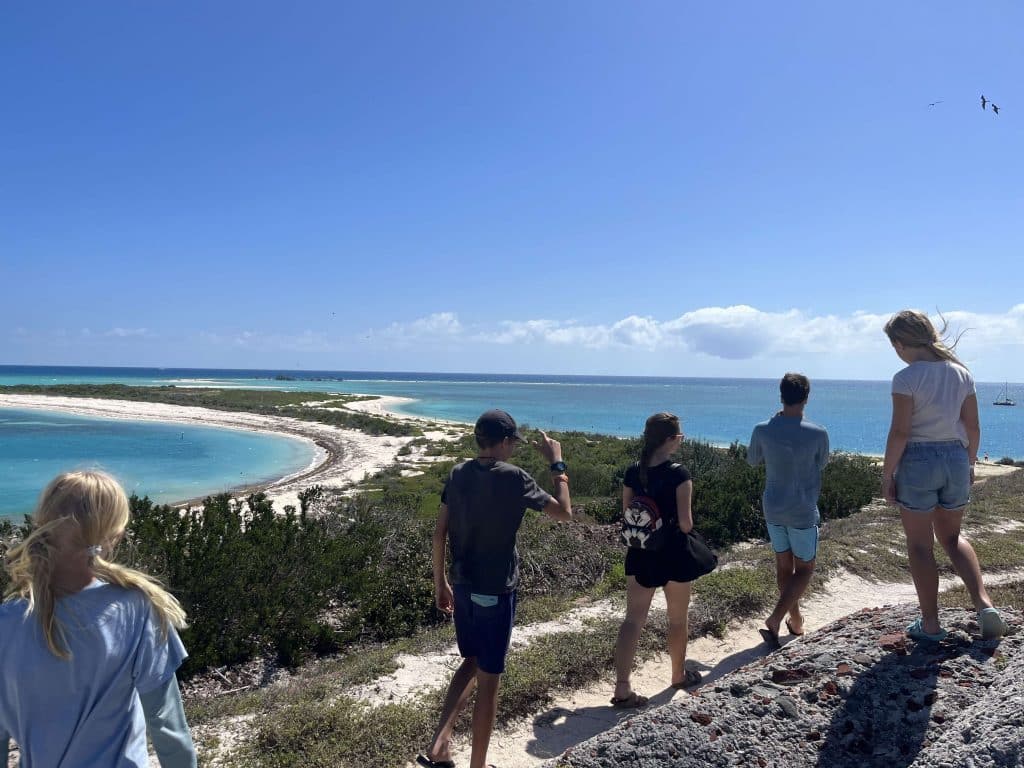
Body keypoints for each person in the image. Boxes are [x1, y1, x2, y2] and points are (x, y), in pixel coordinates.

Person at [0, 470, 196, 767]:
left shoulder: (7, 623)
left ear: (42, 523)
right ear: (114, 535)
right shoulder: (138, 610)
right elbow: (167, 725)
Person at [417, 410, 572, 768]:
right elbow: (564, 512)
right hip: (495, 591)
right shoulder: (514, 478)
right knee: (489, 680)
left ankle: (439, 746)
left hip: (461, 585)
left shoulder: (457, 473)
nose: (514, 449)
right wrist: (557, 465)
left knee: (470, 661)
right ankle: (478, 764)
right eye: (513, 443)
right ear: (503, 442)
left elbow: (439, 532)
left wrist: (440, 583)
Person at [881, 310, 1009, 641]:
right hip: (955, 457)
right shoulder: (961, 374)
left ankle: (931, 625)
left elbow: (900, 432)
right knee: (952, 538)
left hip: (919, 462)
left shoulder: (906, 378)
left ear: (899, 343)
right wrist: (968, 463)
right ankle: (984, 606)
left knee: (920, 546)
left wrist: (888, 474)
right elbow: (973, 426)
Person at [611, 412, 703, 709]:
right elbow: (686, 524)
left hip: (640, 552)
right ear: (671, 439)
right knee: (677, 618)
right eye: (680, 436)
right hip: (673, 554)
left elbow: (627, 511)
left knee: (632, 620)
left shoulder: (632, 471)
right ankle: (678, 675)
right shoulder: (679, 474)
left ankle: (622, 687)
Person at [747, 373, 830, 648]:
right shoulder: (818, 432)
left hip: (773, 507)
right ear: (806, 397)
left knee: (784, 565)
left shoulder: (762, 429)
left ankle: (795, 621)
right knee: (805, 569)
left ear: (780, 395)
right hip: (803, 510)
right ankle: (776, 618)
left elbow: (752, 460)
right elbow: (822, 464)